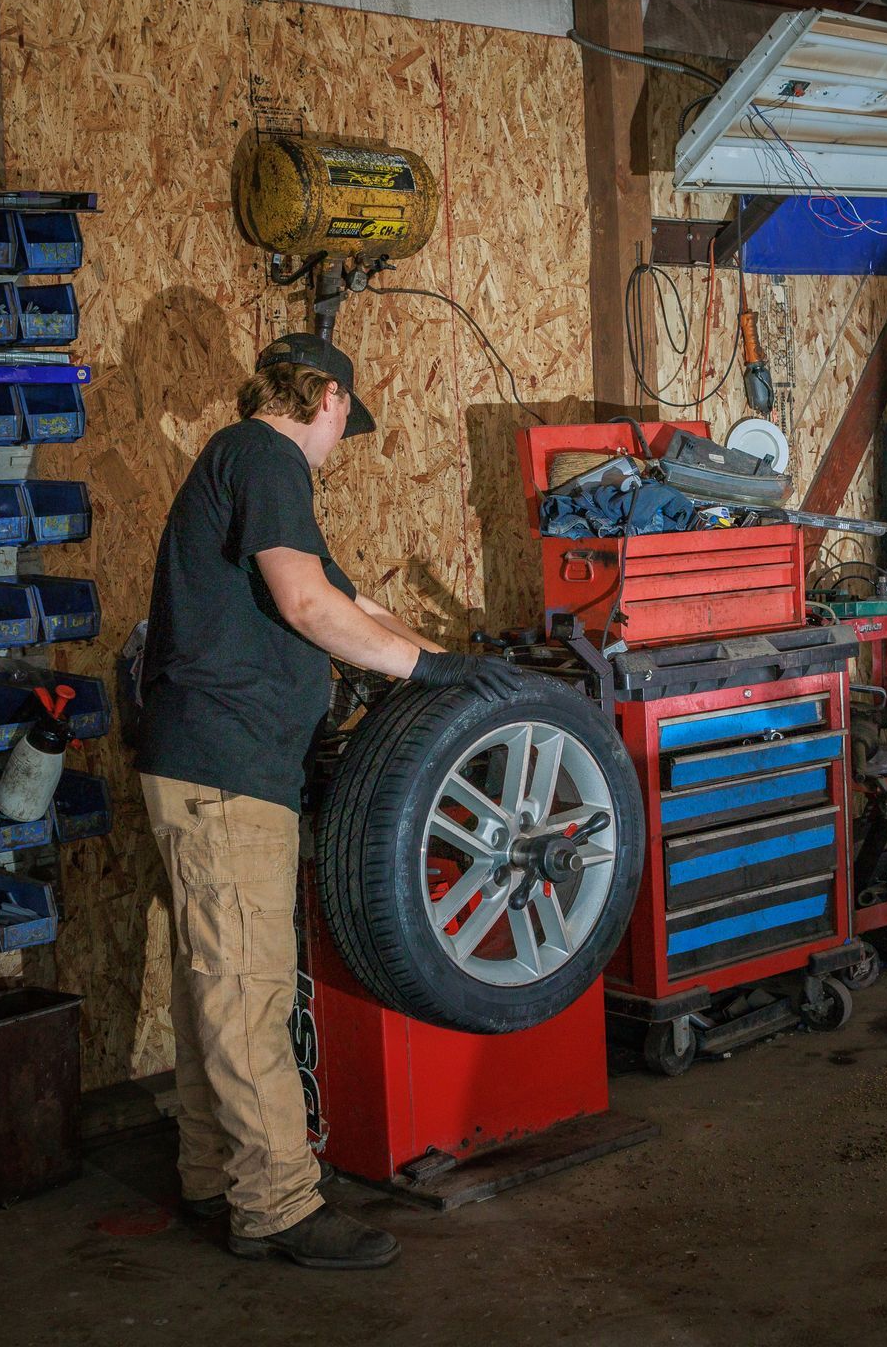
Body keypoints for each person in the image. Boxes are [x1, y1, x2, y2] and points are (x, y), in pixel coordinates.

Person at [135, 333, 524, 1269]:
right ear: (331, 403)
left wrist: (455, 666)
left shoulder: (248, 472)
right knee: (246, 990)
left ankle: (210, 1175)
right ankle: (276, 1207)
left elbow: (353, 609)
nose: (339, 445)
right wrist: (429, 669)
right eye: (345, 426)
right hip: (226, 768)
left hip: (217, 763)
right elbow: (310, 610)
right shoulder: (266, 456)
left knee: (214, 988)